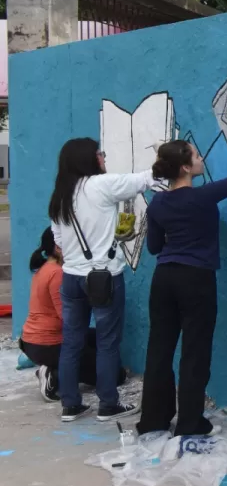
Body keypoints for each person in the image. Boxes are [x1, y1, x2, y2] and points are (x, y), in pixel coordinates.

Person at [137, 109, 227, 437]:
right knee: (194, 350)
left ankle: (154, 419)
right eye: (195, 155)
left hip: (164, 280)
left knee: (159, 348)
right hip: (196, 280)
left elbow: (153, 248)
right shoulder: (204, 196)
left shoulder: (157, 204)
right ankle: (190, 422)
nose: (201, 155)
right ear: (184, 167)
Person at [49, 138, 156, 422]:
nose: (103, 157)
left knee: (72, 342)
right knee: (108, 342)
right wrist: (162, 152)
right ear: (90, 158)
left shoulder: (60, 195)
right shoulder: (101, 185)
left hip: (71, 277)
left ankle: (70, 405)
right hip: (104, 278)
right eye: (101, 153)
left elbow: (58, 240)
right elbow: (145, 179)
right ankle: (108, 404)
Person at [19, 227, 127, 402]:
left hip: (33, 341)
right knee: (116, 376)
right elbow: (67, 316)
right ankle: (54, 375)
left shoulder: (47, 267)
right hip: (48, 343)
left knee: (97, 337)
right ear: (58, 247)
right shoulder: (58, 273)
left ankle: (57, 366)